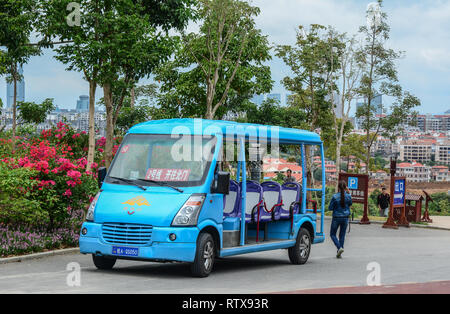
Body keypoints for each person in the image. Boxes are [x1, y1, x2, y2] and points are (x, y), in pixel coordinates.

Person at [329, 180, 352, 258]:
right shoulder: (348, 196)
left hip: (336, 217)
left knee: (332, 234)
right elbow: (350, 204)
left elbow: (330, 208)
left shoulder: (335, 196)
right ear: (346, 188)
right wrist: (349, 193)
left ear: (338, 187)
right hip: (345, 218)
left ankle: (339, 248)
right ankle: (339, 252)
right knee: (342, 235)